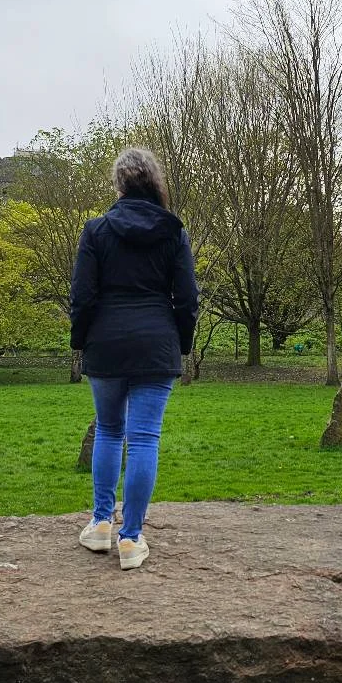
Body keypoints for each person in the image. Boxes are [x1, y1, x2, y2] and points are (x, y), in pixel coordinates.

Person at [68, 147, 198, 570]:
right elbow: (188, 300)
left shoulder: (96, 230)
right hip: (155, 343)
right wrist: (180, 343)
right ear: (155, 183)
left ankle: (101, 524)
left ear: (119, 185)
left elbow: (82, 297)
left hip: (106, 342)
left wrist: (81, 341)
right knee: (144, 439)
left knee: (109, 430)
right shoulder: (174, 232)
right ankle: (131, 539)